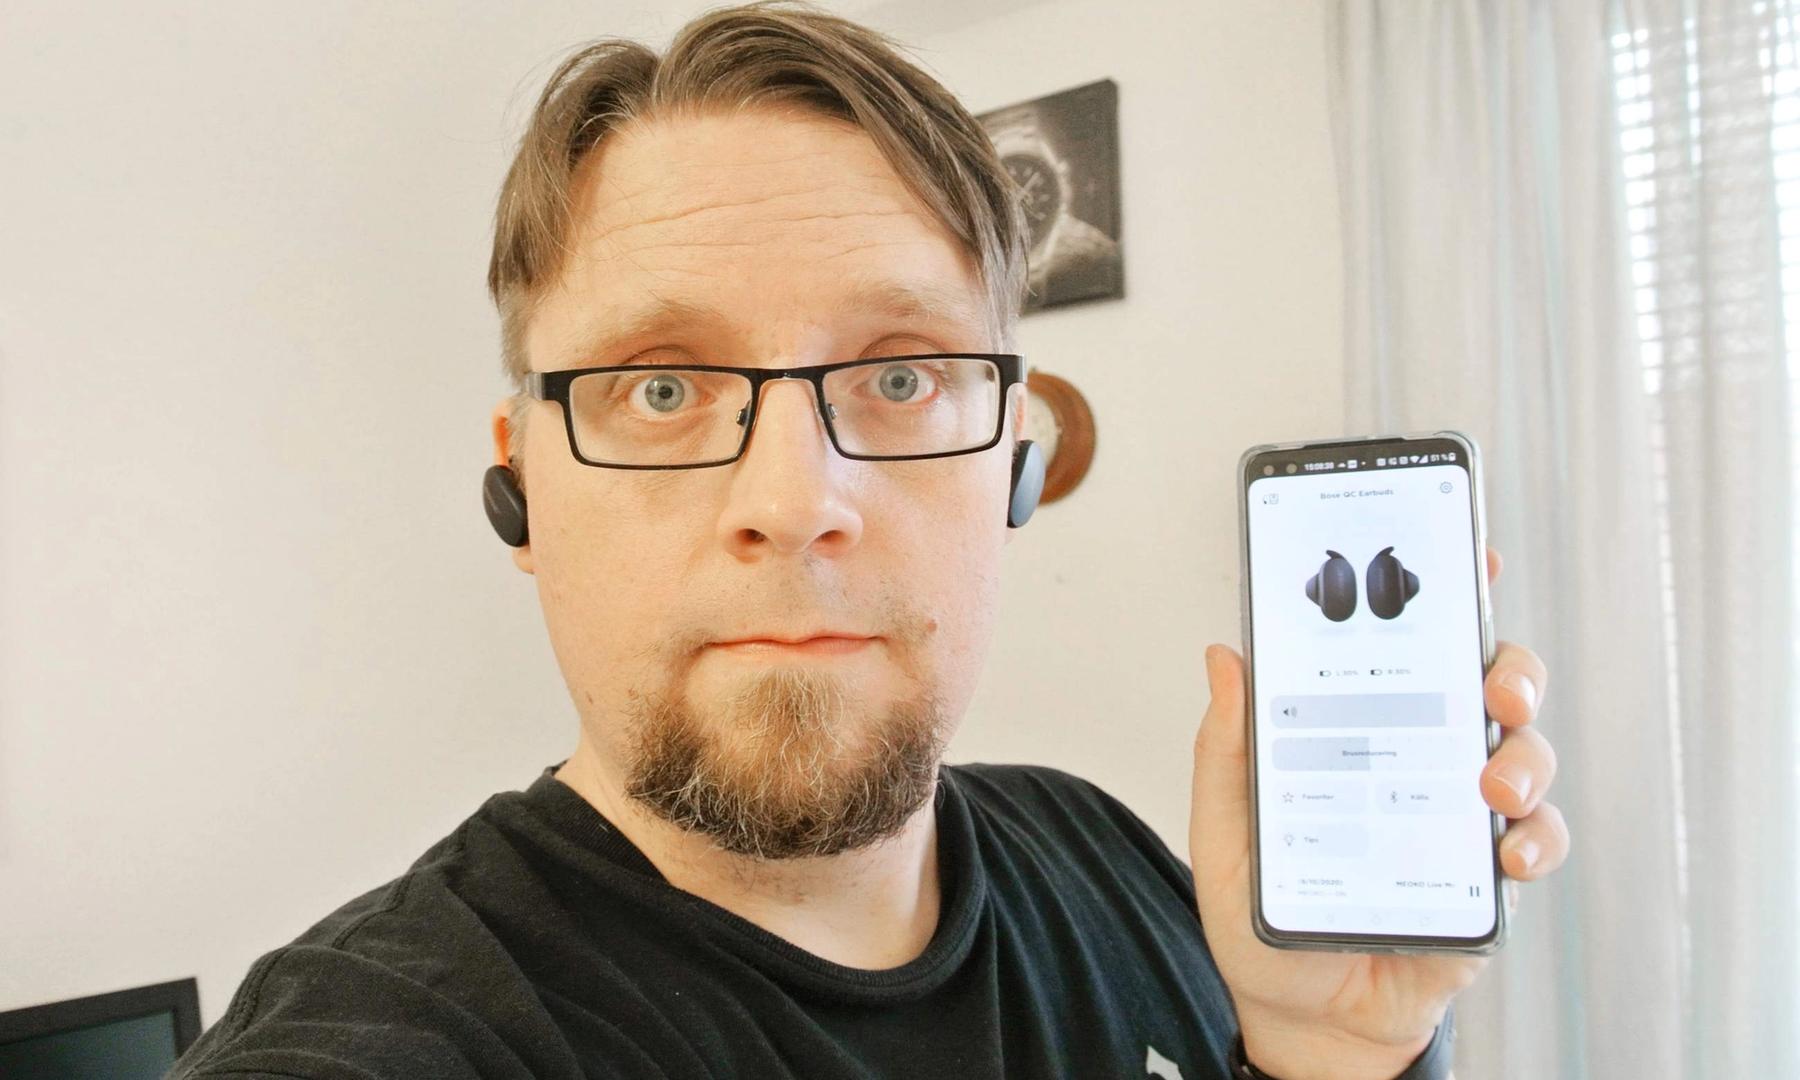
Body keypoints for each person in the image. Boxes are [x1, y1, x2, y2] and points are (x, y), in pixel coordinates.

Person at [168, 4, 1568, 1078]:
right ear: (519, 484)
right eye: (661, 389)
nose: (795, 499)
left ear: (1015, 465)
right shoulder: (392, 1036)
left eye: (900, 375)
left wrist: (1328, 1058)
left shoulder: (1104, 852)